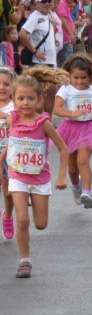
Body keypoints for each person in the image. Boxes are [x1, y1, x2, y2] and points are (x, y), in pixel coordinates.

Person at [0, 74, 69, 278]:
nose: (25, 103)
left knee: (40, 224)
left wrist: (62, 176)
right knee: (22, 221)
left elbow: (63, 149)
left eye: (30, 98)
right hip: (17, 176)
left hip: (39, 179)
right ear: (14, 98)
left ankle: (31, 201)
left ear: (39, 99)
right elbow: (10, 145)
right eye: (21, 98)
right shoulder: (12, 119)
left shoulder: (43, 123)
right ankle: (25, 260)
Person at [54, 54, 92, 208]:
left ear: (90, 76)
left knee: (82, 161)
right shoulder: (66, 89)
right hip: (70, 129)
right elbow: (57, 109)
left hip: (90, 128)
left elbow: (91, 107)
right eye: (76, 77)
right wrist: (72, 113)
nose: (80, 81)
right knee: (72, 168)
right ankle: (76, 187)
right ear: (69, 76)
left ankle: (87, 192)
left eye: (84, 77)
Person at [20, 0, 58, 67]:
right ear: (37, 3)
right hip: (39, 62)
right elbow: (22, 34)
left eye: (49, 1)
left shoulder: (49, 15)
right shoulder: (35, 16)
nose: (47, 4)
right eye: (43, 1)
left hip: (48, 61)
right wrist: (35, 52)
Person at [0, 67, 14, 240]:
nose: (2, 87)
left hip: (10, 155)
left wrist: (5, 115)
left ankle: (8, 216)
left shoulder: (16, 106)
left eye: (6, 84)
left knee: (8, 191)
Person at [55, 0, 75, 65]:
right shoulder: (62, 3)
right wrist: (71, 34)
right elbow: (63, 20)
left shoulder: (65, 4)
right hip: (65, 39)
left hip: (66, 39)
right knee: (67, 64)